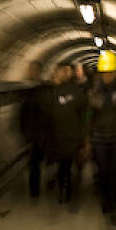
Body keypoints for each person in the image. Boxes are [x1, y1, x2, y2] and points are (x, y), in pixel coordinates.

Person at [88, 50, 116, 219]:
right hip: (99, 139)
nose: (107, 76)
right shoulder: (94, 93)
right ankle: (106, 201)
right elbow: (89, 116)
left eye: (110, 73)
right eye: (104, 73)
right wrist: (87, 138)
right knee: (104, 171)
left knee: (115, 172)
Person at [42, 61, 89, 203]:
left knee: (67, 165)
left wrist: (85, 137)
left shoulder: (77, 92)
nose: (63, 73)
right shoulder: (51, 92)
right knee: (62, 165)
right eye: (61, 71)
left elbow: (85, 114)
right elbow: (45, 114)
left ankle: (66, 189)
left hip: (72, 137)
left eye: (66, 71)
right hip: (56, 137)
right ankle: (64, 187)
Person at [20, 60, 47, 197]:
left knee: (40, 160)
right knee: (34, 163)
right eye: (30, 69)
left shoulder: (44, 88)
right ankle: (34, 189)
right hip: (30, 132)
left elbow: (46, 111)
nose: (31, 72)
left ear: (39, 71)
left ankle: (44, 183)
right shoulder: (26, 88)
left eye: (33, 69)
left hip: (41, 131)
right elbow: (22, 112)